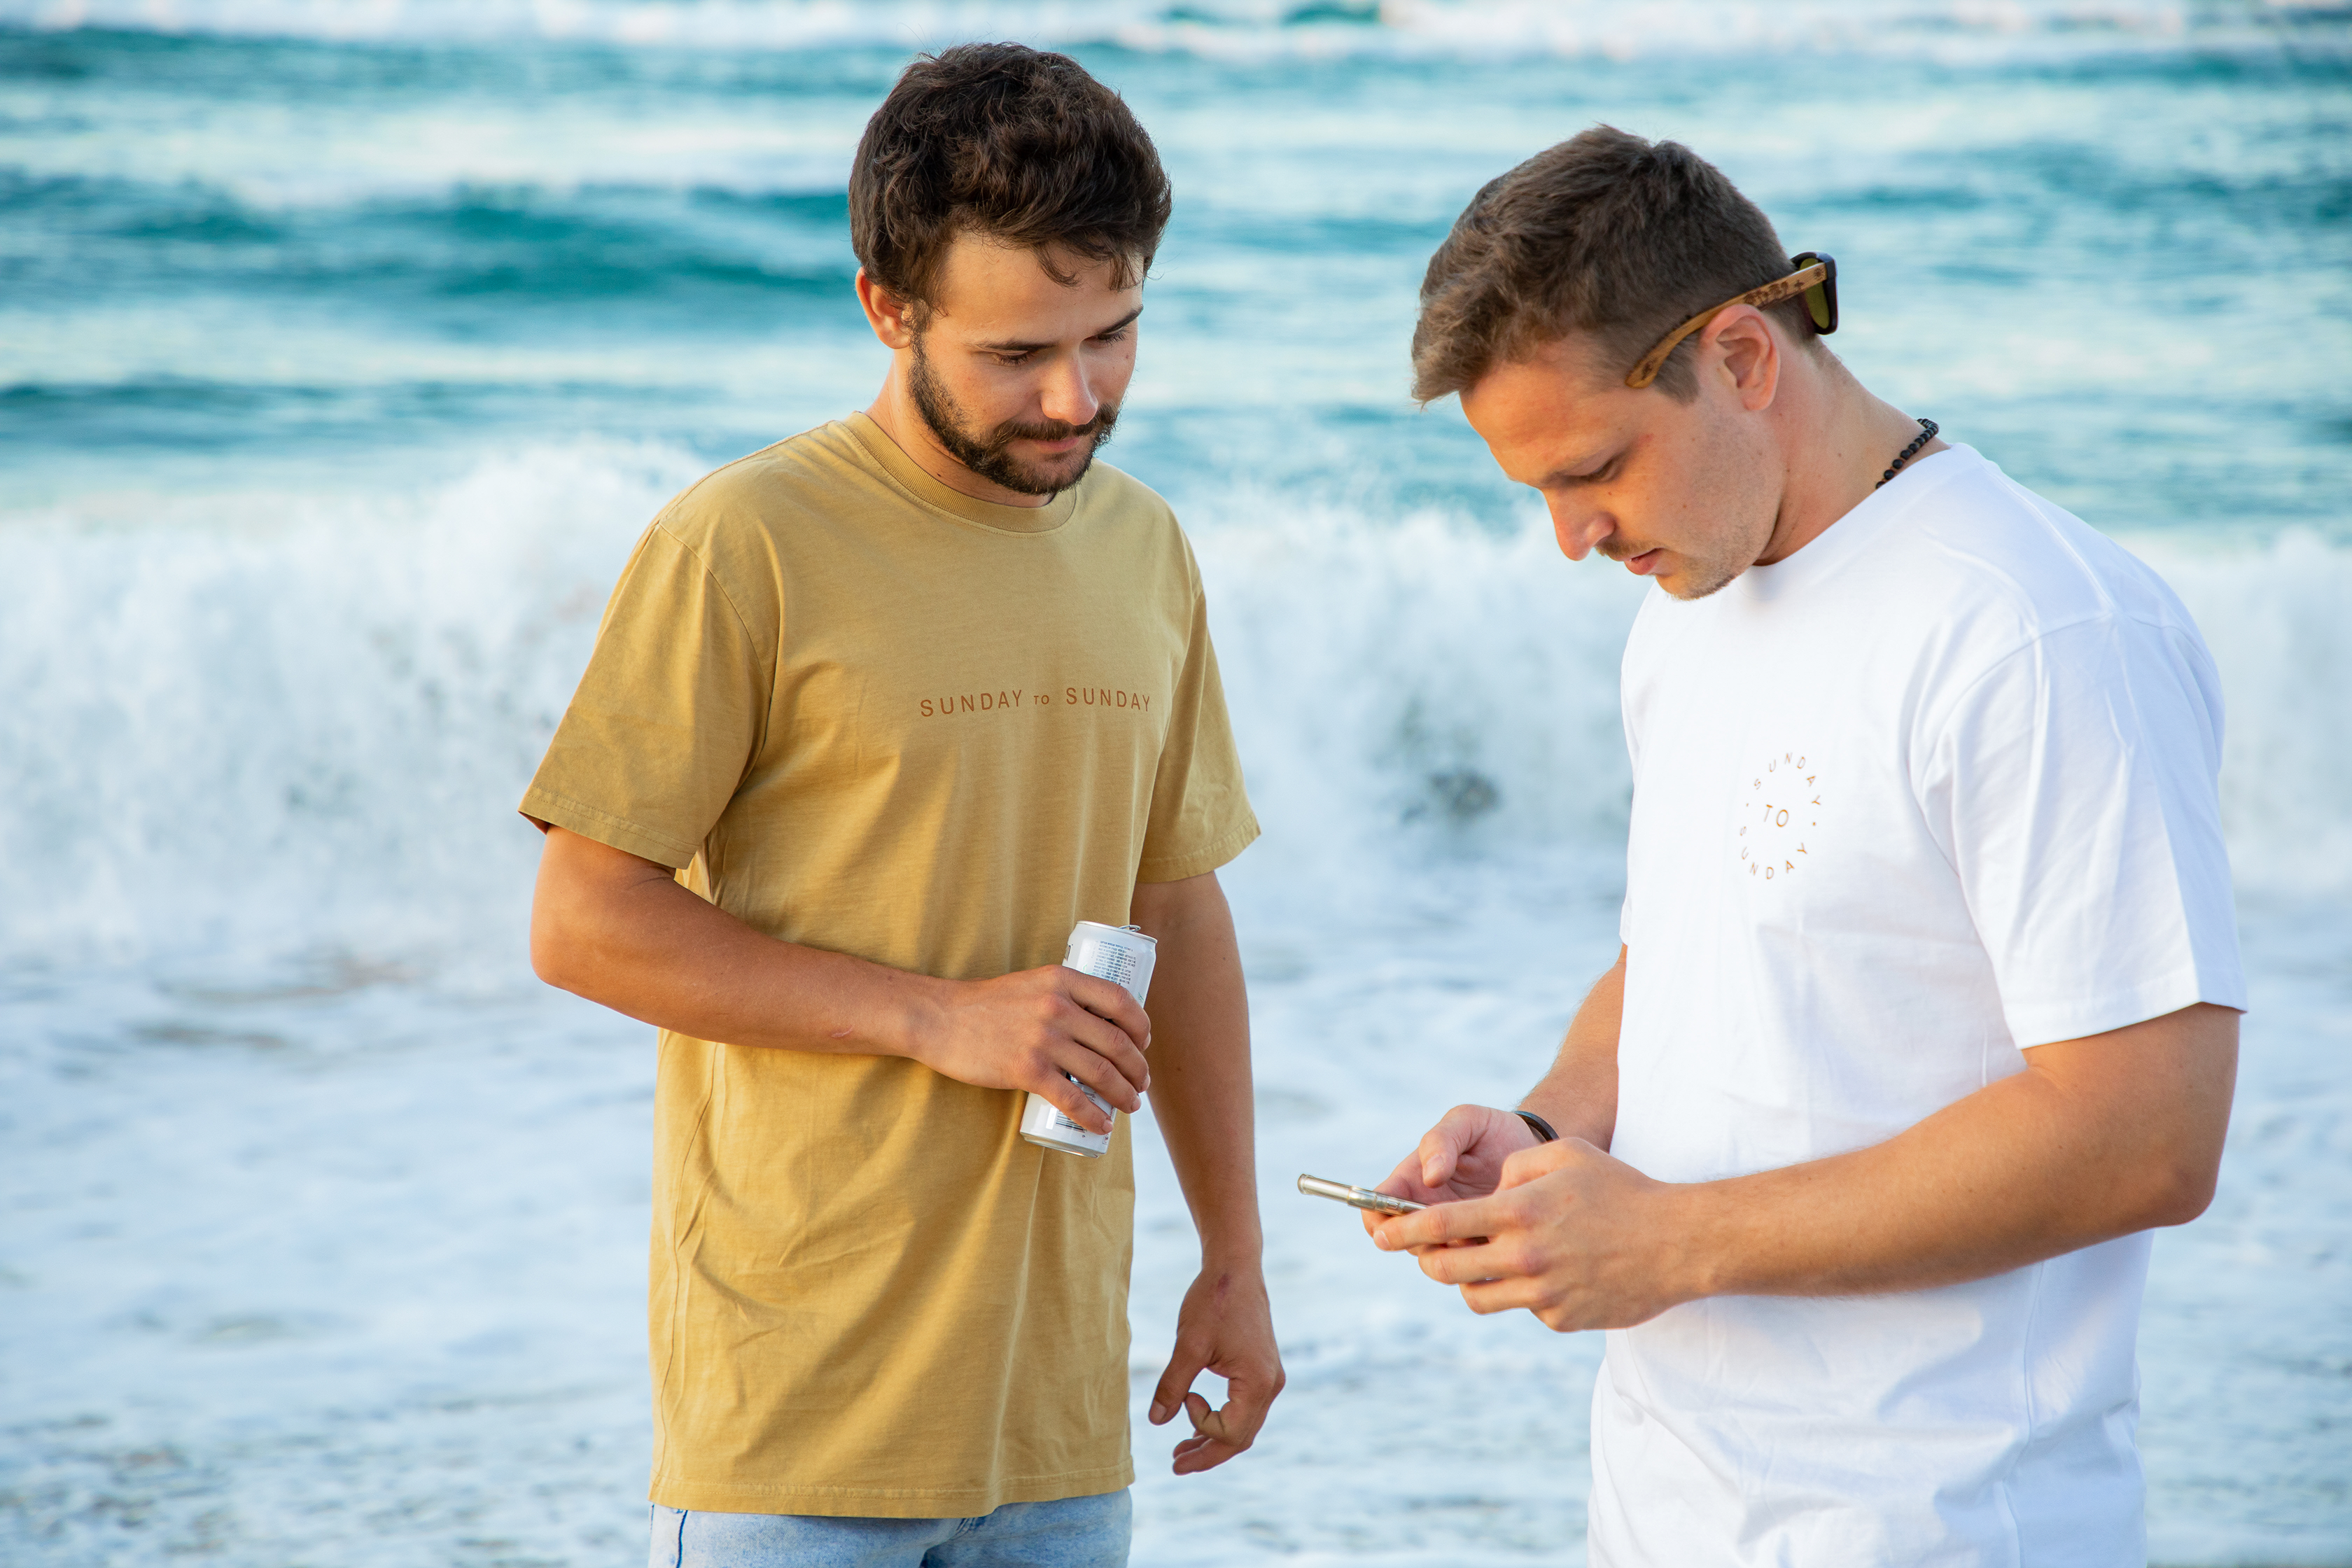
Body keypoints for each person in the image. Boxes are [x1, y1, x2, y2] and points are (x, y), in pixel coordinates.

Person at [1364, 126, 2244, 1564]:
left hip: (1943, 1520)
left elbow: (2146, 1132)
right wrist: (1544, 1131)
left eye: (1591, 469)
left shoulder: (2038, 628)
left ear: (1746, 358)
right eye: (1533, 491)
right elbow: (1689, 954)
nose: (1569, 538)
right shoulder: (1686, 610)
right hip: (1666, 1507)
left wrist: (1669, 1240)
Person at [522, 44, 1281, 1568]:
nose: (1078, 396)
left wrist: (1236, 1257)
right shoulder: (746, 544)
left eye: (1115, 333)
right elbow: (582, 923)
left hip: (1062, 1417)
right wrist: (939, 1017)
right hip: (798, 1419)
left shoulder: (1144, 549)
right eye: (1018, 353)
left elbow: (1178, 902)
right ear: (890, 306)